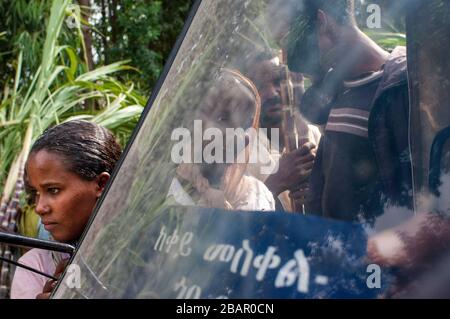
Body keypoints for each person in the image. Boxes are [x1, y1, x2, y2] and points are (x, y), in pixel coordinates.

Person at [279, 0, 412, 223]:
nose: (290, 54)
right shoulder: (340, 89)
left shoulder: (403, 88)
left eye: (293, 39)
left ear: (322, 22)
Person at [10, 120, 122, 299]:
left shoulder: (140, 248)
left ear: (101, 184)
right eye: (36, 193)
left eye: (53, 190)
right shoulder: (34, 266)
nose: (39, 208)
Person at [167, 69, 276, 211]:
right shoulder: (168, 181)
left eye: (224, 118)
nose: (208, 126)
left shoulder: (255, 196)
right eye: (204, 111)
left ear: (245, 139)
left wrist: (220, 208)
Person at [242, 50, 321, 212]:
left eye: (278, 82)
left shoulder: (313, 134)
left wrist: (321, 190)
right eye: (260, 87)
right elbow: (236, 221)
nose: (271, 93)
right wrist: (278, 180)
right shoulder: (239, 151)